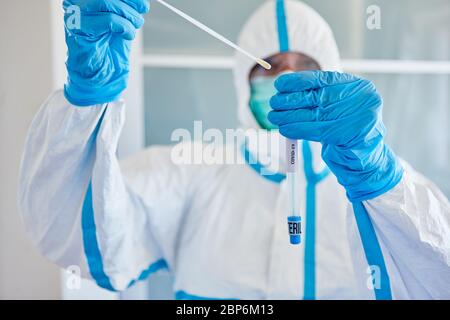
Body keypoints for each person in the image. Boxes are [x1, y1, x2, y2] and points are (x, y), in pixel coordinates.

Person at [19, 0, 450, 299]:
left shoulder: (377, 187)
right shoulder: (193, 171)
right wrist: (90, 97)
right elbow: (74, 231)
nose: (287, 80)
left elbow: (438, 278)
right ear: (241, 83)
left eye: (306, 68)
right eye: (269, 67)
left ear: (333, 76)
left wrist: (375, 173)